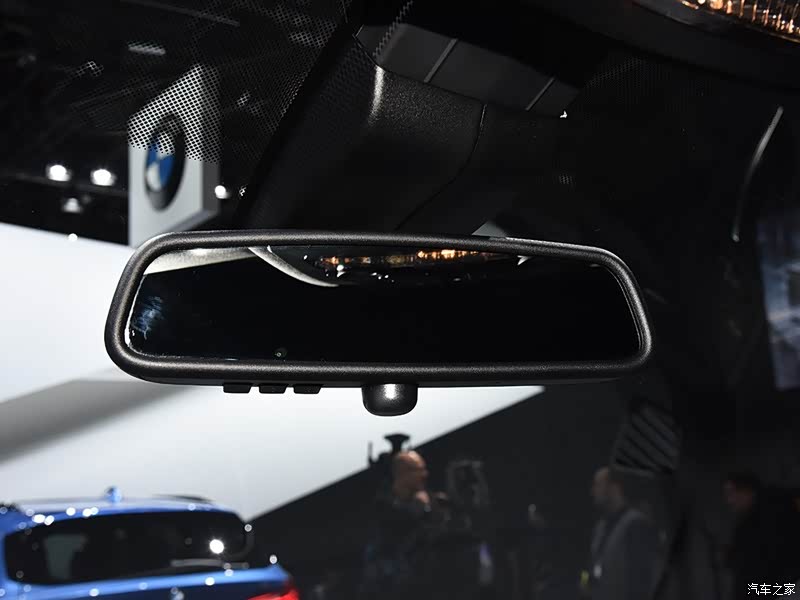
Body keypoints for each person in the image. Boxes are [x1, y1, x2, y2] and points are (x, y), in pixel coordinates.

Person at [359, 450, 446, 599]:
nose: (424, 475)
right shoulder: (384, 508)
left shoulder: (434, 501)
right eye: (418, 470)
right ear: (402, 474)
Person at [585, 466, 660, 600]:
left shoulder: (635, 524)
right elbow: (591, 568)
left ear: (614, 488)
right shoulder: (600, 528)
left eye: (598, 485)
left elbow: (641, 580)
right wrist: (585, 587)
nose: (593, 491)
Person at [723, 471, 799, 598]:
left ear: (747, 491)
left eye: (732, 493)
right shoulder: (749, 521)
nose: (729, 501)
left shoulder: (774, 512)